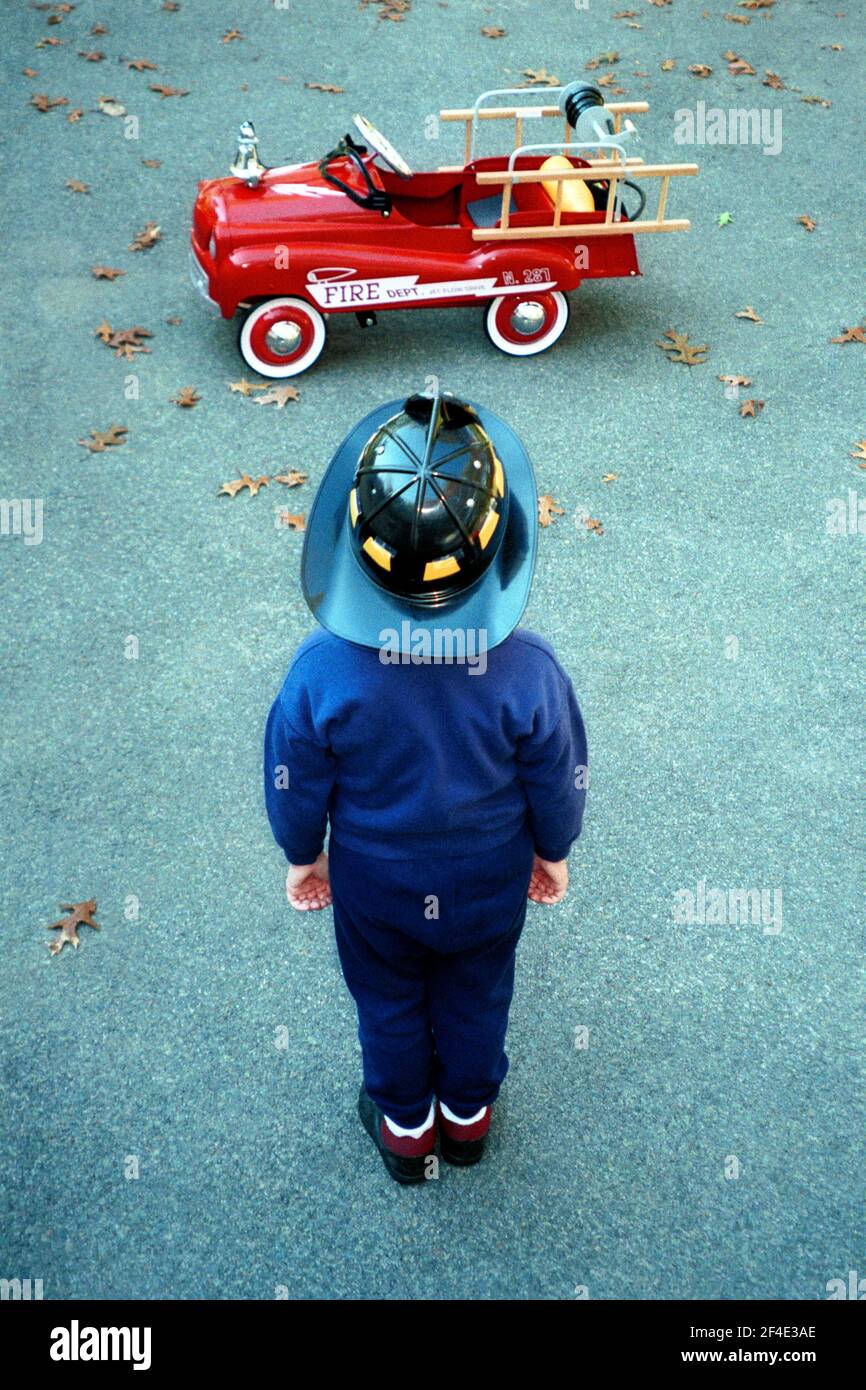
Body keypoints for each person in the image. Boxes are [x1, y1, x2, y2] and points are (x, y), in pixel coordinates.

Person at [264, 390, 587, 1184]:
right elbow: (559, 773)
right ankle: (468, 1121)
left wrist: (304, 857)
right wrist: (554, 850)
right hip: (487, 878)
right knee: (477, 993)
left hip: (378, 882)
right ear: (494, 547)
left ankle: (408, 1131)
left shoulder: (321, 671)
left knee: (389, 999)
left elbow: (294, 780)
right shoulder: (528, 669)